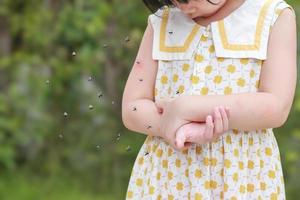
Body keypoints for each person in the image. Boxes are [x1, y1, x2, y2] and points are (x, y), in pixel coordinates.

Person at [122, 0, 297, 198]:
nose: (182, 7)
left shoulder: (272, 16)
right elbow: (132, 107)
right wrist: (168, 124)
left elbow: (276, 106)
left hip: (242, 177)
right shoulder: (163, 21)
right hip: (168, 177)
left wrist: (188, 108)